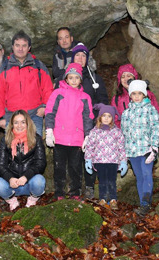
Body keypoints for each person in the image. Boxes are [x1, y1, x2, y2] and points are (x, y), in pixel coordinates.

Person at [62, 43, 109, 199]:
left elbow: (103, 99)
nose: (80, 58)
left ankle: (89, 186)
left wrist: (99, 114)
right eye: (77, 55)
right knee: (74, 157)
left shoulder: (95, 78)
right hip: (71, 125)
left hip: (91, 123)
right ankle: (74, 186)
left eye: (83, 56)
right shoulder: (66, 79)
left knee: (90, 154)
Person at [45, 63, 94, 200]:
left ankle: (75, 193)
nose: (73, 80)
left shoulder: (85, 97)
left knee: (75, 168)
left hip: (76, 139)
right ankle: (59, 192)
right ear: (66, 78)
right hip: (59, 137)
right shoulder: (58, 93)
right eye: (70, 77)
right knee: (59, 167)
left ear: (80, 80)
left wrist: (88, 136)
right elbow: (50, 112)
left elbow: (88, 117)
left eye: (76, 78)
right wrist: (49, 131)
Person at [0, 31, 53, 136]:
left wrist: (45, 106)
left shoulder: (38, 66)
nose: (20, 49)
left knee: (35, 147)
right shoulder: (4, 68)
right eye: (17, 45)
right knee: (13, 149)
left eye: (24, 46)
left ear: (29, 47)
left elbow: (48, 88)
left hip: (34, 115)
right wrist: (0, 117)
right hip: (11, 116)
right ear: (12, 47)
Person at [121, 80, 159, 217]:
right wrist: (123, 152)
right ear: (130, 95)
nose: (137, 96)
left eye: (140, 93)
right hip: (132, 150)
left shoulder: (150, 109)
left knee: (146, 174)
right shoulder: (126, 113)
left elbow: (156, 128)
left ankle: (145, 203)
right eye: (134, 93)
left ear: (144, 94)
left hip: (146, 149)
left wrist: (154, 147)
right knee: (139, 177)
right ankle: (142, 203)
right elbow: (124, 132)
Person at [0, 110, 47, 211]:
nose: (19, 126)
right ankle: (12, 200)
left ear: (28, 124)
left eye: (23, 122)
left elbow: (40, 163)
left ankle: (32, 199)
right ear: (12, 124)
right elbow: (0, 165)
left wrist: (26, 176)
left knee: (40, 181)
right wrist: (10, 178)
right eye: (16, 122)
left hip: (29, 182)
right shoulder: (5, 140)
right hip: (12, 184)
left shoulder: (36, 139)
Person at [84, 104, 126, 210]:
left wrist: (123, 161)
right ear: (100, 117)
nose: (106, 118)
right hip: (99, 160)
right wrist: (88, 159)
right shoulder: (95, 131)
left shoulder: (117, 131)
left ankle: (113, 199)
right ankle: (102, 198)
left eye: (109, 116)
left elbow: (121, 147)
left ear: (112, 118)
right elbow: (90, 146)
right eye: (104, 116)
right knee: (102, 180)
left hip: (113, 161)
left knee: (112, 180)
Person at [112, 63, 159, 128]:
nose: (126, 79)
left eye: (128, 76)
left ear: (134, 77)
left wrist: (157, 136)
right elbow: (115, 120)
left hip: (146, 136)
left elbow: (157, 117)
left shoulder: (147, 95)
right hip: (126, 136)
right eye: (123, 76)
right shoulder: (116, 99)